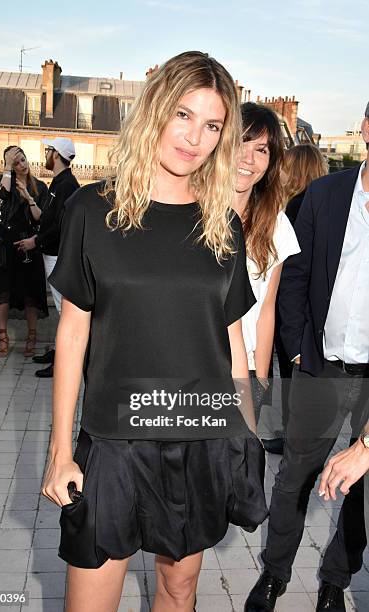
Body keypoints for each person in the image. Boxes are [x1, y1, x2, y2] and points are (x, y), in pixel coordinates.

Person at [41, 51, 268, 612]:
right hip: (113, 442)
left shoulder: (222, 225)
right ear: (155, 111)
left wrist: (245, 434)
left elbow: (232, 340)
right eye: (184, 115)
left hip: (198, 436)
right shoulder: (92, 210)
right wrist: (60, 449)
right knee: (89, 599)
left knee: (179, 588)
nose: (195, 137)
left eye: (212, 125)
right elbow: (72, 334)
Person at [245, 102, 369, 612]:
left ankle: (335, 580)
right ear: (365, 128)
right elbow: (292, 278)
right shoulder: (325, 194)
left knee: (362, 489)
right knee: (296, 474)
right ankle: (274, 576)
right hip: (321, 365)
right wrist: (295, 350)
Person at [234, 102, 300, 424]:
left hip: (243, 369)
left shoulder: (276, 226)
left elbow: (267, 308)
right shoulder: (190, 213)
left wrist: (260, 378)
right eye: (240, 143)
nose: (248, 158)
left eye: (261, 149)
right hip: (191, 366)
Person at [265, 143, 328, 455]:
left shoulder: (295, 209)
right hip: (312, 311)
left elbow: (290, 267)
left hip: (292, 309)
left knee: (293, 379)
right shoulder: (322, 205)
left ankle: (293, 441)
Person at [15, 137, 79, 378]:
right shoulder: (58, 183)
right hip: (51, 253)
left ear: (55, 154)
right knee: (62, 311)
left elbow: (62, 225)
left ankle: (62, 363)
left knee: (64, 311)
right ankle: (58, 353)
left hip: (58, 255)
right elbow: (47, 218)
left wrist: (35, 242)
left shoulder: (66, 185)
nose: (44, 154)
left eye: (47, 150)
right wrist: (29, 198)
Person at [0, 146, 48, 357]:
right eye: (17, 162)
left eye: (23, 159)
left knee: (30, 294)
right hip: (6, 244)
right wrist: (8, 169)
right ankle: (3, 338)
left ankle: (32, 337)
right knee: (2, 292)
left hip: (29, 244)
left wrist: (28, 195)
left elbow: (40, 218)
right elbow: (2, 193)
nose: (23, 164)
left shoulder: (39, 186)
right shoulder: (6, 179)